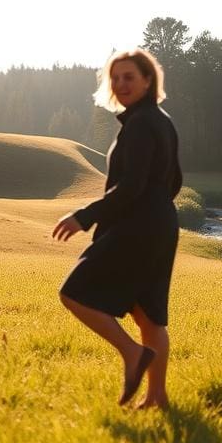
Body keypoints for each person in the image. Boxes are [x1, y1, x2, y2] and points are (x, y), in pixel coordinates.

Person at [53, 48, 182, 409]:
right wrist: (157, 210)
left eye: (129, 77)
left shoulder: (141, 125)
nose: (121, 84)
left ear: (147, 81)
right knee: (148, 313)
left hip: (138, 225)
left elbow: (131, 187)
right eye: (116, 77)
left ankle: (131, 353)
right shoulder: (160, 120)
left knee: (73, 292)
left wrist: (85, 216)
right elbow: (173, 181)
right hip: (160, 222)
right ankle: (157, 398)